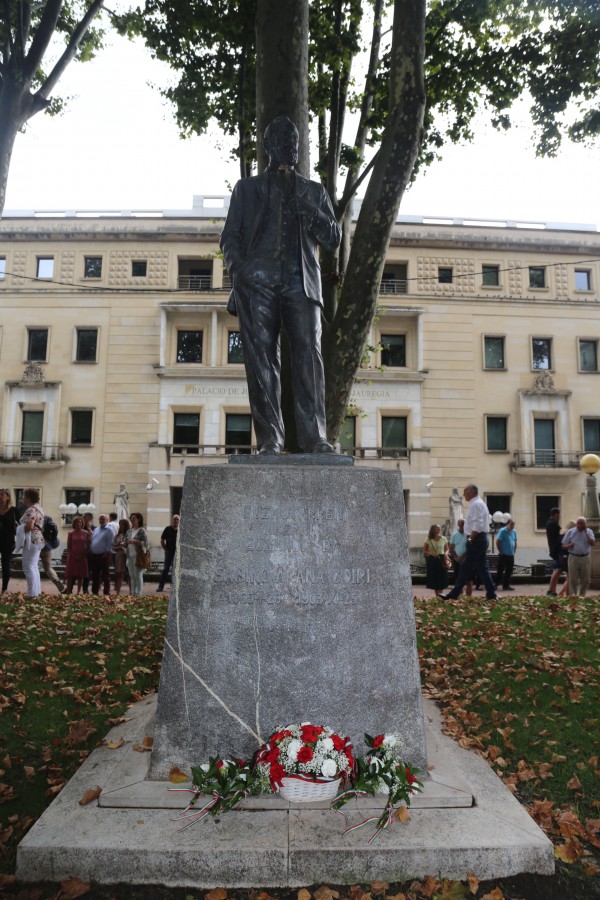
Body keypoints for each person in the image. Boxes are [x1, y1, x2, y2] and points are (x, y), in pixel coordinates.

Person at [220, 115, 341, 455]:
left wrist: (311, 212)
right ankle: (270, 439)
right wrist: (240, 270)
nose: (288, 148)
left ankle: (315, 437)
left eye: (293, 144)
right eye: (281, 143)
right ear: (269, 148)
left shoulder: (313, 191)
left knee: (309, 356)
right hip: (257, 282)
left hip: (301, 282)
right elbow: (230, 236)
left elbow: (332, 236)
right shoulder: (247, 190)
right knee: (261, 362)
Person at [441, 484, 497, 601]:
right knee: (482, 568)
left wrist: (470, 539)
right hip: (480, 539)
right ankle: (491, 594)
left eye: (465, 491)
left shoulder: (476, 504)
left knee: (465, 567)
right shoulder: (477, 504)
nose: (463, 494)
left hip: (476, 539)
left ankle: (454, 593)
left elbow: (478, 524)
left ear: (472, 492)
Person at [19, 488, 45, 599]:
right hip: (39, 539)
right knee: (34, 567)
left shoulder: (31, 509)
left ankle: (31, 593)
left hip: (32, 540)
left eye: (24, 496)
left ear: (29, 498)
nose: (22, 498)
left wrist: (18, 528)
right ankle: (36, 591)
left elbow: (29, 526)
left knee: (28, 567)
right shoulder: (39, 508)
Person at [561, 516, 595, 597]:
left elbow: (592, 543)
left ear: (585, 525)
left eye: (582, 524)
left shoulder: (589, 532)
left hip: (585, 557)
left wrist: (586, 533)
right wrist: (568, 546)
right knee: (573, 579)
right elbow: (563, 545)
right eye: (578, 523)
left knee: (586, 579)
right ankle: (574, 596)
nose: (579, 525)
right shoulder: (570, 531)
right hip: (573, 557)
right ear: (576, 523)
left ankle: (582, 595)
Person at [89, 514, 114, 595]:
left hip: (104, 555)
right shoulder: (96, 529)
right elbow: (93, 541)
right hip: (95, 555)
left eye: (103, 519)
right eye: (100, 519)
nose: (101, 520)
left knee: (105, 575)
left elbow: (110, 543)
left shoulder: (109, 530)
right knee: (95, 575)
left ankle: (106, 592)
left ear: (106, 520)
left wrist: (107, 553)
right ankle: (95, 591)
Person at [449, 518, 474, 596]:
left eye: (465, 524)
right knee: (458, 581)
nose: (464, 525)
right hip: (457, 561)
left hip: (468, 560)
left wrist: (463, 557)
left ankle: (469, 598)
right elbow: (451, 548)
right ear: (458, 525)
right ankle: (459, 597)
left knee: (469, 581)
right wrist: (457, 558)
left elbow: (471, 547)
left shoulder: (469, 535)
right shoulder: (454, 535)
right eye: (462, 524)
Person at [125, 512, 149, 596]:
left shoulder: (142, 530)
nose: (132, 519)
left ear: (138, 519)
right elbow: (126, 542)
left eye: (134, 518)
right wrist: (123, 543)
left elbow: (145, 543)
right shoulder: (128, 531)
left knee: (138, 574)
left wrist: (135, 541)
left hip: (138, 556)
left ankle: (139, 593)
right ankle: (133, 593)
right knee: (132, 575)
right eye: (131, 518)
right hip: (129, 555)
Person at [65, 516, 90, 594]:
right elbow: (68, 546)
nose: (79, 524)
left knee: (80, 575)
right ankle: (68, 591)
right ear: (74, 523)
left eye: (80, 522)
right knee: (70, 575)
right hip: (72, 557)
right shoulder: (71, 533)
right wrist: (73, 555)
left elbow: (88, 545)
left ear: (82, 523)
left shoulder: (86, 533)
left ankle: (78, 592)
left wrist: (82, 555)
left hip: (82, 557)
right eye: (77, 522)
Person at [423, 524, 450, 597]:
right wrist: (431, 553)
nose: (439, 530)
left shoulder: (443, 538)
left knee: (441, 578)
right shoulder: (428, 539)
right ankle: (437, 596)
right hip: (433, 560)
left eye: (439, 528)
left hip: (442, 559)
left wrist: (446, 554)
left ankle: (440, 596)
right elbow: (424, 551)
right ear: (433, 530)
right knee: (435, 580)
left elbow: (447, 549)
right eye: (437, 528)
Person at [0, 488, 18, 593]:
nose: (0, 497)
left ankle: (4, 588)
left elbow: (21, 525)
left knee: (6, 564)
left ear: (8, 497)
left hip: (8, 540)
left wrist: (17, 539)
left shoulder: (14, 510)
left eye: (2, 494)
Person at [40, 520, 65, 594]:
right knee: (48, 568)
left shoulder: (33, 516)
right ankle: (56, 580)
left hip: (37, 546)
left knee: (32, 567)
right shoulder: (47, 518)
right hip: (47, 547)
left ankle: (35, 587)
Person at [158, 514, 180, 592]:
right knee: (165, 569)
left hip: (178, 554)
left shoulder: (180, 530)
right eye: (175, 519)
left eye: (177, 519)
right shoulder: (167, 529)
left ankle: (174, 587)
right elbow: (162, 540)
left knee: (176, 570)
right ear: (172, 520)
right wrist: (165, 549)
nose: (176, 521)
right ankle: (160, 586)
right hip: (169, 552)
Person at [495, 518, 517, 591]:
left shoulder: (514, 532)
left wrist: (514, 551)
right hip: (503, 554)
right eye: (511, 524)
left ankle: (506, 585)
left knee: (509, 571)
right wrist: (500, 551)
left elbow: (515, 541)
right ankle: (495, 585)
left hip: (511, 554)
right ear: (507, 524)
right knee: (500, 570)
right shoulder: (503, 531)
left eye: (513, 524)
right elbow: (497, 542)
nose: (512, 526)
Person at [113, 518, 131, 594]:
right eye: (120, 525)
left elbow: (129, 545)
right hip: (119, 556)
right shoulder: (117, 536)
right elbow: (113, 547)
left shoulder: (129, 534)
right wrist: (119, 546)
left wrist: (123, 546)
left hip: (128, 556)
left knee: (129, 574)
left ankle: (131, 592)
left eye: (122, 525)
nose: (120, 526)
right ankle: (118, 592)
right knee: (119, 574)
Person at [81, 512, 94, 593]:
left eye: (85, 517)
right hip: (79, 553)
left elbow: (94, 540)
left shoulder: (94, 528)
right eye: (83, 517)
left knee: (87, 572)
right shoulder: (79, 527)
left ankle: (85, 589)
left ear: (90, 519)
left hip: (89, 554)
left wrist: (89, 529)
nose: (83, 519)